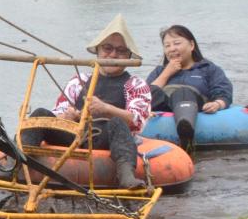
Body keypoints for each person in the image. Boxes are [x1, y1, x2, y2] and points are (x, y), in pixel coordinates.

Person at [21, 14, 151, 188]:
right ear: (98, 51)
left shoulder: (135, 84)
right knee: (39, 115)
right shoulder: (79, 80)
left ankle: (126, 176)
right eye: (107, 48)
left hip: (109, 138)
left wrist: (106, 109)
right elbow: (59, 110)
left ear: (128, 55)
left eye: (121, 51)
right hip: (76, 135)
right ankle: (16, 162)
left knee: (117, 123)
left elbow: (138, 120)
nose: (113, 55)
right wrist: (67, 117)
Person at [147, 24, 232, 151]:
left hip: (193, 105)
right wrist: (166, 73)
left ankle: (186, 136)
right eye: (167, 46)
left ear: (191, 45)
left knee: (182, 92)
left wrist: (217, 104)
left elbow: (223, 91)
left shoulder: (208, 69)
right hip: (165, 106)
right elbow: (144, 95)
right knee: (150, 90)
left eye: (177, 43)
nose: (172, 49)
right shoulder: (159, 71)